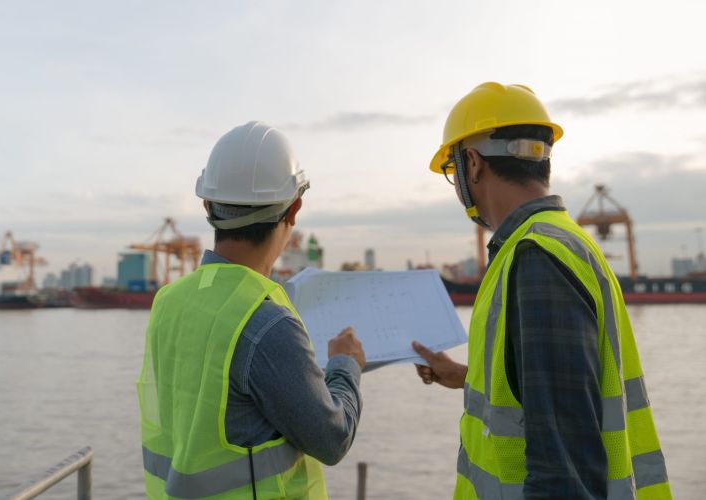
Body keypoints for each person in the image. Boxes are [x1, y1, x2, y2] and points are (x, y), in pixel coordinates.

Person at [412, 83, 671, 499]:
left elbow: (564, 473)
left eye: (453, 170)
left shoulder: (536, 259)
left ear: (473, 165)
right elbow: (560, 393)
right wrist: (465, 377)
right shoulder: (562, 242)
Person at [137, 121, 365, 499]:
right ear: (295, 208)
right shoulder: (266, 323)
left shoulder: (168, 301)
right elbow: (331, 439)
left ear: (208, 206)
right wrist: (346, 366)